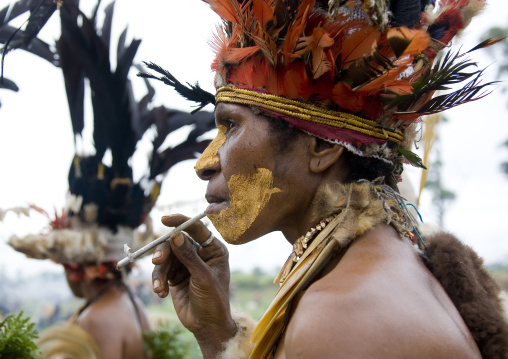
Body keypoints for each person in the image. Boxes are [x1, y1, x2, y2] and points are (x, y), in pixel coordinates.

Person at [148, 0, 508, 358]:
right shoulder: (371, 273)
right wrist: (217, 333)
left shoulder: (341, 317)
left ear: (322, 146)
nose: (205, 163)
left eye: (231, 125)